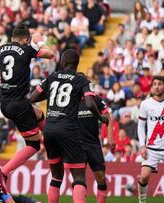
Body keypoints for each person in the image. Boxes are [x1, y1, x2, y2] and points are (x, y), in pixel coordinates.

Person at [28, 49, 109, 203]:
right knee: (78, 176)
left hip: (49, 129)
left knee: (56, 177)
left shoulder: (52, 76)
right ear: (77, 65)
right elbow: (91, 103)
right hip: (68, 129)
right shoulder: (81, 80)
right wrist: (100, 117)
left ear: (63, 63)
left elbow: (32, 97)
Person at [0, 23, 54, 193]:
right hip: (19, 104)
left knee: (38, 113)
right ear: (25, 39)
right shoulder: (26, 49)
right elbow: (50, 54)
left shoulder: (0, 49)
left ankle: (52, 140)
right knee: (33, 145)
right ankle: (4, 171)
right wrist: (39, 41)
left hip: (5, 103)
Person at [137, 76, 164, 203]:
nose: (157, 86)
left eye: (160, 84)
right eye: (154, 84)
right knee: (144, 176)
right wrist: (142, 145)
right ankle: (142, 201)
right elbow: (141, 126)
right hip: (151, 148)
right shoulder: (145, 104)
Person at [77, 91, 114, 203]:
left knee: (101, 177)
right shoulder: (70, 100)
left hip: (93, 144)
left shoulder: (94, 98)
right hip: (77, 144)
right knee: (79, 179)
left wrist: (110, 137)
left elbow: (108, 116)